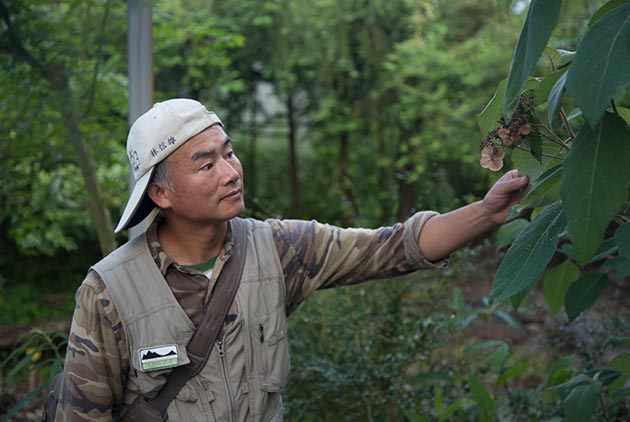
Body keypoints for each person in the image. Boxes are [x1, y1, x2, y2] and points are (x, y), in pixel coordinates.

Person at [55, 98, 528, 421]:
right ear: (161, 193)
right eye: (206, 164)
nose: (231, 172)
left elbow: (394, 246)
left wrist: (487, 212)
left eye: (230, 153)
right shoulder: (110, 292)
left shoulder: (277, 250)